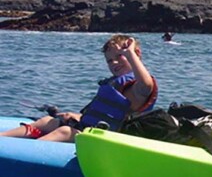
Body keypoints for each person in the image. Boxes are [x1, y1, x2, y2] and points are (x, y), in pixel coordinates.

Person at [0, 34, 158, 143]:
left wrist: (130, 54)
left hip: (107, 142)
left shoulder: (137, 87)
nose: (114, 63)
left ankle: (28, 151)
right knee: (48, 121)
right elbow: (98, 116)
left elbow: (146, 85)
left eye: (119, 56)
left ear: (136, 54)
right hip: (89, 130)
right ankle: (3, 138)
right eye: (109, 60)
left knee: (64, 132)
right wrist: (75, 115)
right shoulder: (115, 84)